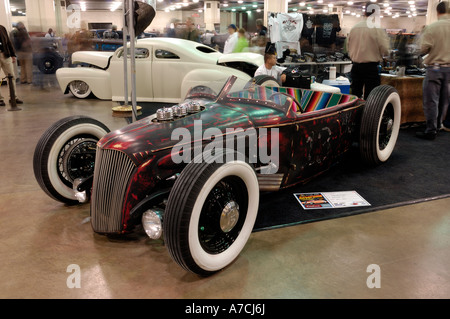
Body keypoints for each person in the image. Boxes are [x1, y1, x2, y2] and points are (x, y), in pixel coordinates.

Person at [416, 1, 450, 140]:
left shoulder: (432, 27)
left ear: (437, 12)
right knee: (445, 100)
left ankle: (431, 130)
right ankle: (439, 125)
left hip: (435, 68)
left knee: (432, 101)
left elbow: (423, 48)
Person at [347, 2, 390, 100]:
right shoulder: (377, 29)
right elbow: (385, 49)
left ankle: (355, 114)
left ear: (364, 12)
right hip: (371, 67)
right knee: (371, 97)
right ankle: (367, 115)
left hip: (356, 66)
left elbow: (348, 46)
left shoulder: (355, 28)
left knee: (355, 95)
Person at [0, 24, 23, 106]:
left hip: (5, 54)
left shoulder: (2, 28)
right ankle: (0, 99)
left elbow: (8, 42)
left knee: (12, 76)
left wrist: (12, 54)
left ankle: (13, 97)